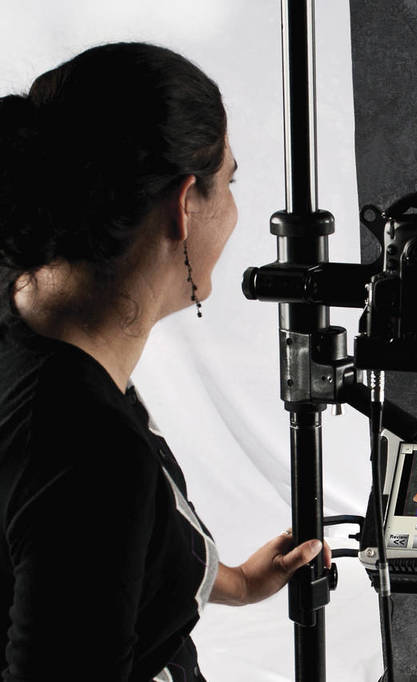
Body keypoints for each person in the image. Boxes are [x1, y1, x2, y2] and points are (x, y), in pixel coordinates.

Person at [0, 43, 329, 682]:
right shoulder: (90, 453)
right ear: (184, 205)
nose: (234, 211)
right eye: (228, 182)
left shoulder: (27, 311)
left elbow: (68, 555)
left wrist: (230, 581)